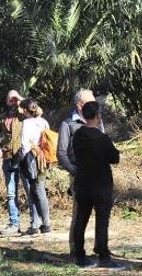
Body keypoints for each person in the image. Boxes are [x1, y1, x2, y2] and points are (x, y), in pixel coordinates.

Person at [71, 100, 124, 269]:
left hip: (82, 183)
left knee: (81, 219)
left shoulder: (77, 136)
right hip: (101, 185)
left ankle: (80, 256)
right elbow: (115, 158)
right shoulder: (102, 138)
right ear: (98, 116)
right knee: (102, 222)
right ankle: (104, 256)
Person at [57, 89, 98, 253]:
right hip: (79, 177)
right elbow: (61, 153)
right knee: (80, 214)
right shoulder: (67, 124)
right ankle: (76, 249)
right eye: (91, 102)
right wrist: (75, 171)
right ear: (80, 105)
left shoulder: (97, 122)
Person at [0, 90, 25, 236]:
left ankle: (37, 223)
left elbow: (38, 111)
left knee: (30, 190)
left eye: (15, 99)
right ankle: (14, 223)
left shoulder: (24, 114)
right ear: (6, 101)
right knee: (11, 192)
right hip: (8, 157)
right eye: (10, 99)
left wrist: (21, 99)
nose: (13, 101)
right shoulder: (3, 118)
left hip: (23, 157)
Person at [19, 98, 51, 235]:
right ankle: (42, 223)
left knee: (34, 191)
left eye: (22, 109)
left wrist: (22, 159)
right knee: (39, 189)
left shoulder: (26, 123)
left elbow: (25, 144)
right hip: (43, 158)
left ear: (26, 110)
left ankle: (40, 224)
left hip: (31, 159)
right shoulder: (44, 122)